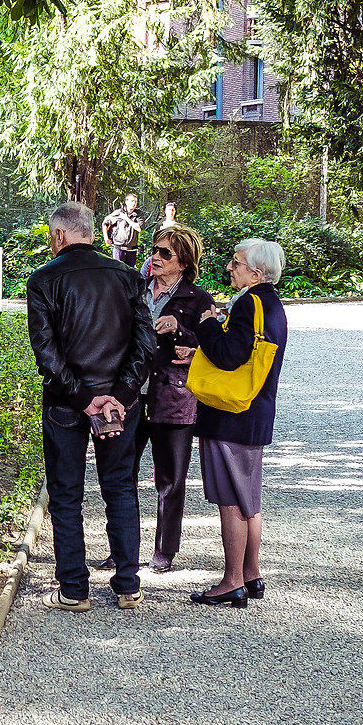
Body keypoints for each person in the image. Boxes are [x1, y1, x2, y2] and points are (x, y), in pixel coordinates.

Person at [27, 200, 156, 611]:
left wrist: (85, 398)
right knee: (120, 488)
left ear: (60, 235)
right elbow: (145, 344)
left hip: (68, 403)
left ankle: (74, 589)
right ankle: (127, 585)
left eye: (52, 235)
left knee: (66, 492)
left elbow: (46, 354)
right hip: (121, 403)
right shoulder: (128, 277)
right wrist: (119, 394)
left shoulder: (44, 280)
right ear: (90, 231)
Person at [187, 238, 288, 609]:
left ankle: (231, 581)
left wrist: (209, 326)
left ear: (256, 273)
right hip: (256, 410)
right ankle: (251, 574)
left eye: (236, 262)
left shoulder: (248, 302)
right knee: (249, 498)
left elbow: (230, 357)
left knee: (230, 500)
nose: (230, 267)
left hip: (230, 413)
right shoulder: (273, 304)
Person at [137, 225, 215, 572]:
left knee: (170, 478)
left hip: (174, 396)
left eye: (165, 253)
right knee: (121, 473)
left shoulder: (199, 299)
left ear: (183, 263)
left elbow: (215, 345)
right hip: (130, 395)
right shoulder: (135, 290)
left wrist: (181, 331)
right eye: (154, 250)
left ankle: (164, 551)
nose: (155, 257)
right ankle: (121, 548)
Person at [102, 192, 142, 266]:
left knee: (130, 273)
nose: (134, 203)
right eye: (132, 201)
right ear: (126, 202)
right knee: (118, 271)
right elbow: (105, 223)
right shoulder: (119, 212)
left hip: (132, 250)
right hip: (119, 248)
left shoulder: (138, 214)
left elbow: (139, 228)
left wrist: (126, 218)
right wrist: (106, 238)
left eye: (135, 201)